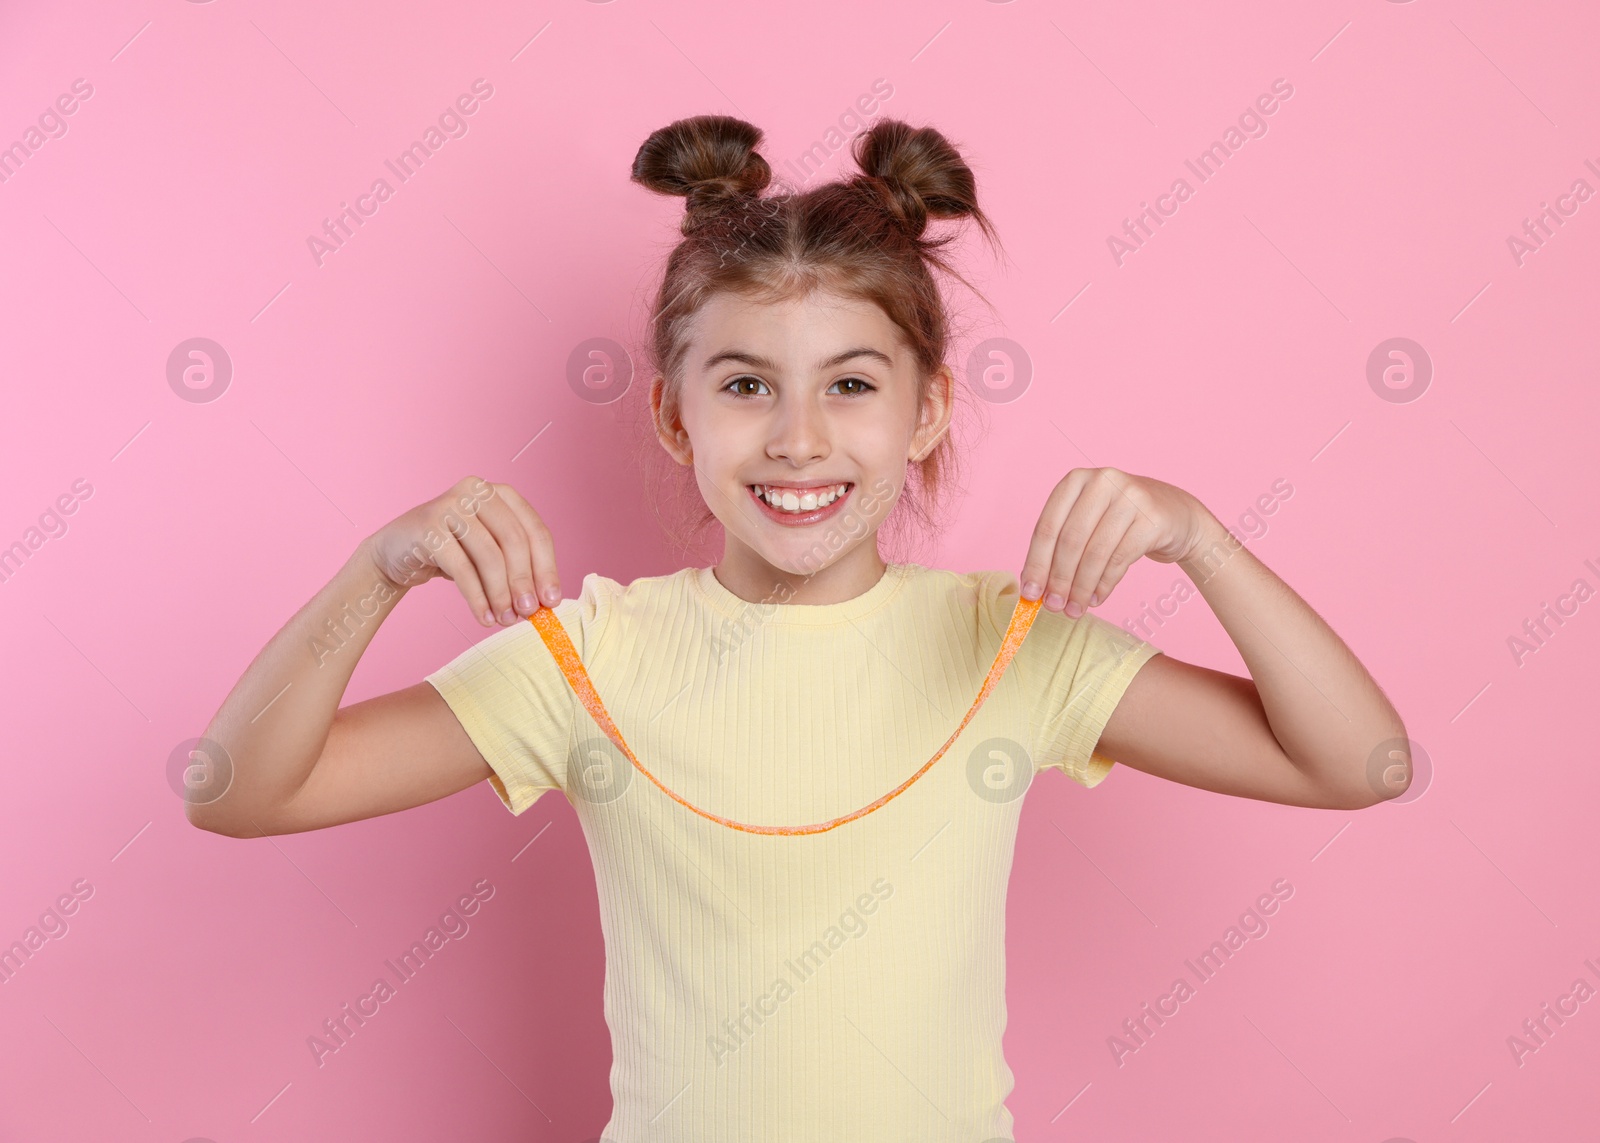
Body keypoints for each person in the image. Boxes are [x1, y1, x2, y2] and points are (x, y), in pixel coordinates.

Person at [188, 114, 1408, 1143]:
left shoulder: (1011, 646)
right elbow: (237, 788)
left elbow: (1357, 763)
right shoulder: (585, 659)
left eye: (851, 384)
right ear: (675, 419)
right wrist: (377, 570)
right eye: (744, 385)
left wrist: (1197, 538)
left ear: (927, 412)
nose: (798, 439)